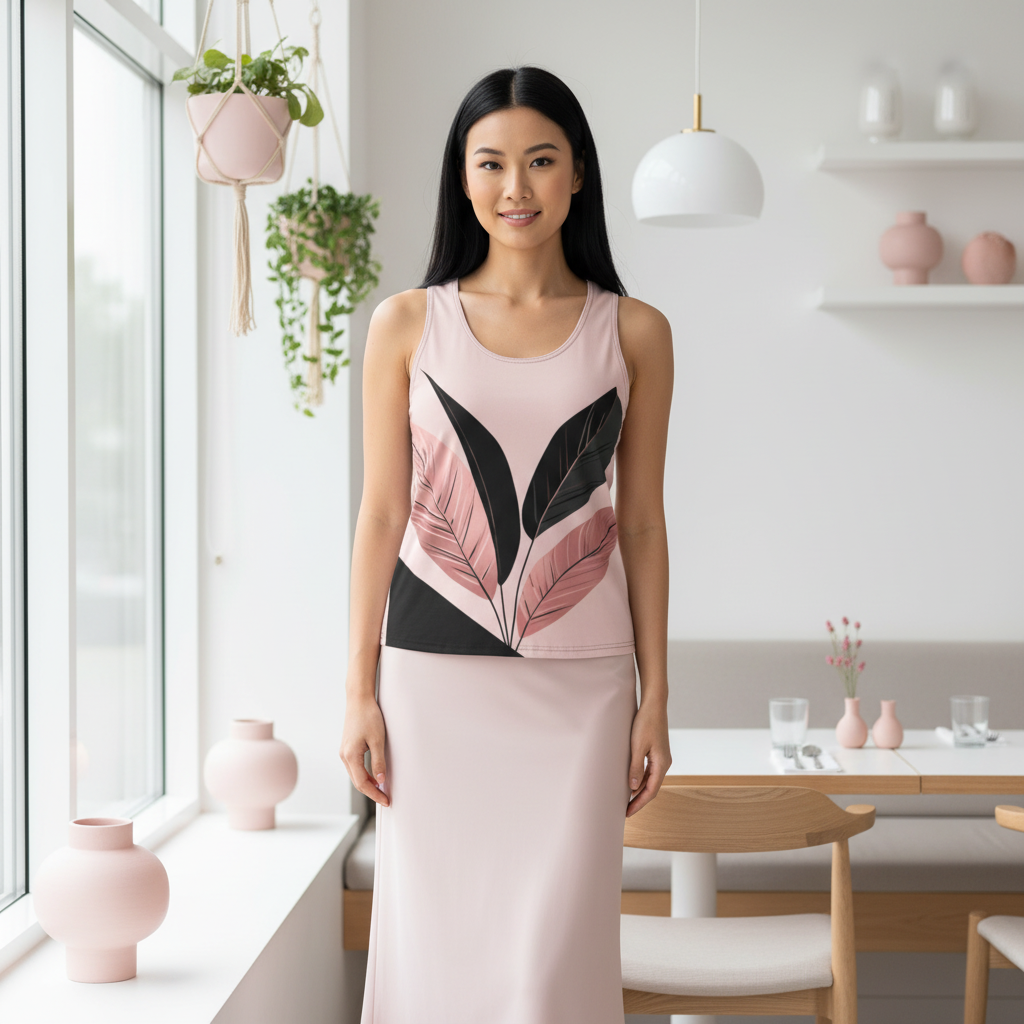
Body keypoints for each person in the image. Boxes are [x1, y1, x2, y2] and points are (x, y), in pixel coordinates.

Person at [340, 65, 673, 1024]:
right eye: (491, 163)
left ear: (578, 177)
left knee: (556, 949)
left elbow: (641, 523)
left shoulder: (636, 333)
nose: (515, 188)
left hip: (583, 685)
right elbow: (380, 515)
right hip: (433, 683)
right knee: (437, 932)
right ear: (462, 177)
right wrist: (357, 690)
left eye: (540, 161)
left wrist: (657, 699)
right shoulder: (408, 323)